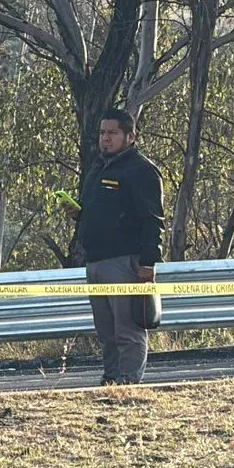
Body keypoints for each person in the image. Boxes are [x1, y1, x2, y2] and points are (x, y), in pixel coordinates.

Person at [66, 109, 165, 385]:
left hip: (125, 262)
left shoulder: (141, 170)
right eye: (102, 133)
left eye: (112, 133)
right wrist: (79, 213)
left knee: (127, 329)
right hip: (96, 260)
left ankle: (129, 384)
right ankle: (111, 380)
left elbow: (152, 220)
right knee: (106, 330)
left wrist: (148, 264)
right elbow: (100, 211)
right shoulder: (99, 167)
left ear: (130, 136)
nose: (105, 139)